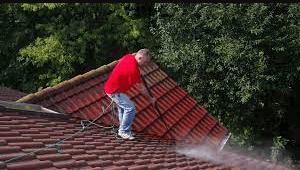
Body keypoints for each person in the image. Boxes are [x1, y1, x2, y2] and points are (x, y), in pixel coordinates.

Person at [104, 48, 156, 140]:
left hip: (113, 88)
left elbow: (121, 62)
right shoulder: (133, 70)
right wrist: (150, 99)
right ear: (139, 58)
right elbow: (141, 88)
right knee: (130, 108)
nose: (146, 64)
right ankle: (123, 131)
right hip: (113, 91)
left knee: (123, 107)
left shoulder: (129, 56)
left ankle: (122, 128)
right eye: (146, 62)